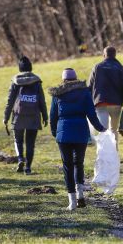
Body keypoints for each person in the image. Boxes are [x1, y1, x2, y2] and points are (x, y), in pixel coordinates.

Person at [49, 68, 106, 210]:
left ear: (63, 80)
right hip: (81, 133)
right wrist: (100, 128)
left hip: (64, 134)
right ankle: (81, 195)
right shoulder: (85, 93)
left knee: (67, 166)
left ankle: (72, 202)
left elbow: (53, 116)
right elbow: (92, 114)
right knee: (78, 163)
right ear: (76, 78)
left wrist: (55, 132)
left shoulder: (57, 94)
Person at [3, 56, 48, 174]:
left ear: (20, 68)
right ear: (30, 67)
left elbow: (10, 101)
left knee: (18, 140)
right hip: (34, 116)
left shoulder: (15, 81)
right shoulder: (37, 81)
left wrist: (6, 117)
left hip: (18, 115)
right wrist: (45, 116)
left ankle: (20, 159)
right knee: (30, 143)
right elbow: (41, 100)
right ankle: (28, 168)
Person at [87, 46, 123, 147]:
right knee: (113, 129)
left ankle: (102, 154)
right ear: (115, 55)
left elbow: (89, 86)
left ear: (104, 55)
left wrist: (87, 102)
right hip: (116, 103)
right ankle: (114, 152)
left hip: (100, 103)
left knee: (103, 130)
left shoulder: (97, 67)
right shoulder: (120, 68)